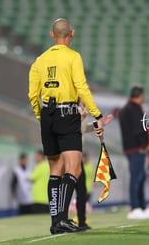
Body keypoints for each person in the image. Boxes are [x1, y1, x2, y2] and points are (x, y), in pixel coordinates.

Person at [28, 18, 104, 234]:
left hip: (47, 115)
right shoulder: (73, 57)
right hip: (67, 113)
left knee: (55, 170)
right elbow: (81, 86)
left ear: (52, 35)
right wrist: (97, 115)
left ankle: (56, 221)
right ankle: (61, 219)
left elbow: (33, 94)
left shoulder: (40, 60)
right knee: (74, 169)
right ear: (72, 34)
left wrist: (40, 116)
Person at [118, 86, 149, 220]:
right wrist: (144, 145)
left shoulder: (126, 109)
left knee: (140, 177)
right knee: (136, 177)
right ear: (140, 95)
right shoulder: (133, 109)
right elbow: (139, 129)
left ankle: (142, 207)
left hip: (131, 147)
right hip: (136, 148)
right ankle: (135, 207)